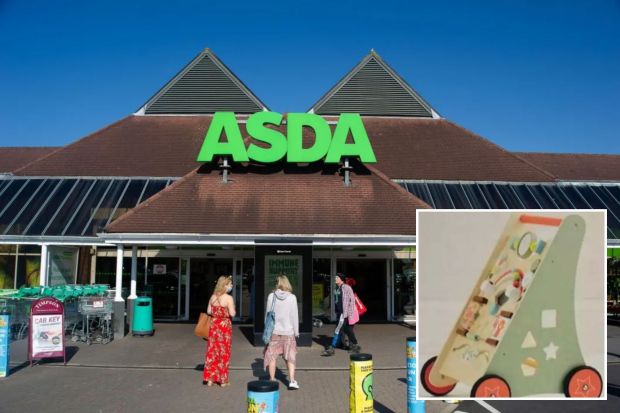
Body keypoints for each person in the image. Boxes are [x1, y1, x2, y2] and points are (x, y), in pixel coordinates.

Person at [264, 275, 300, 390]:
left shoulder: (271, 296)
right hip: (288, 332)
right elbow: (294, 316)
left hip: (274, 332)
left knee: (272, 357)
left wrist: (267, 330)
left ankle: (272, 380)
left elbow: (268, 315)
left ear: (277, 283)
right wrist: (296, 331)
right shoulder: (292, 297)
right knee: (290, 357)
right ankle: (292, 381)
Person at [203, 275, 236, 387]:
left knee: (212, 352)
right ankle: (223, 380)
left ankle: (210, 380)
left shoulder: (213, 297)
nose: (231, 286)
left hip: (214, 327)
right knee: (224, 352)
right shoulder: (228, 298)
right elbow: (232, 314)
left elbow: (208, 311)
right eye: (230, 284)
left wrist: (216, 314)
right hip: (224, 328)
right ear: (225, 285)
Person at [321, 273, 361, 356]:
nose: (335, 279)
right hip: (340, 313)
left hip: (345, 314)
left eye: (337, 278)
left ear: (341, 279)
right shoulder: (337, 288)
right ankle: (356, 346)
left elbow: (352, 301)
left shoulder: (347, 288)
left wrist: (348, 314)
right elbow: (337, 301)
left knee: (338, 330)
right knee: (348, 331)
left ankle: (331, 348)